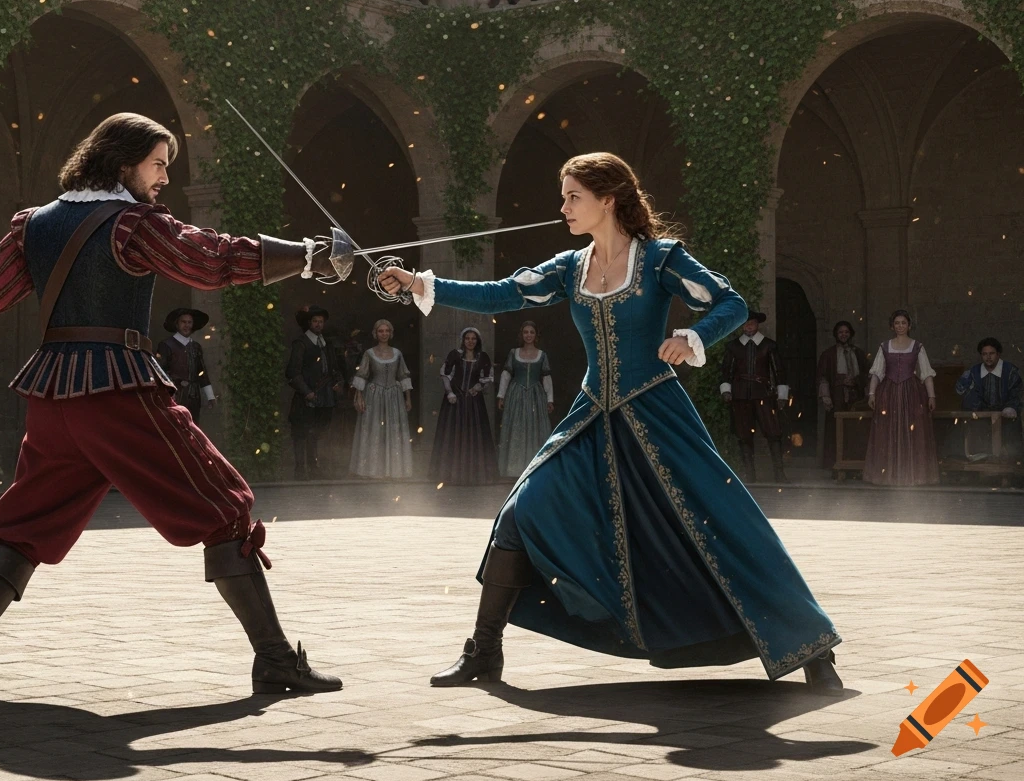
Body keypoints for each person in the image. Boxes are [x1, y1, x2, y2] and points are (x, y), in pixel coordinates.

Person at [378, 152, 842, 695]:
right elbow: (501, 293)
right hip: (591, 415)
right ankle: (483, 652)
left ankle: (811, 646)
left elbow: (730, 304)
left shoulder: (662, 260)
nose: (564, 206)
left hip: (657, 413)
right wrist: (416, 282)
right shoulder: (568, 268)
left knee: (725, 523)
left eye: (574, 195)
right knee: (519, 511)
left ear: (609, 199)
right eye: (564, 195)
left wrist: (692, 338)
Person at [0, 113, 342, 697]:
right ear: (123, 163)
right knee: (224, 507)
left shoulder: (35, 225)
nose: (165, 176)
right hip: (118, 391)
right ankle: (273, 659)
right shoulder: (134, 224)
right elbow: (210, 259)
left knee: (24, 528)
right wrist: (311, 256)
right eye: (159, 163)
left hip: (54, 398)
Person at [864, 309, 938, 486]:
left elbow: (926, 373)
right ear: (892, 326)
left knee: (912, 431)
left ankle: (912, 475)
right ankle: (888, 475)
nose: (900, 326)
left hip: (911, 394)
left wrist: (931, 396)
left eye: (903, 323)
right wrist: (872, 393)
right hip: (888, 394)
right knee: (888, 431)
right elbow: (876, 372)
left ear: (909, 325)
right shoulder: (884, 346)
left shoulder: (917, 346)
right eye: (897, 323)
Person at [720, 311, 789, 483]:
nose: (748, 326)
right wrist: (726, 390)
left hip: (764, 394)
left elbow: (778, 371)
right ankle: (750, 475)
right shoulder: (733, 347)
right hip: (740, 395)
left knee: (773, 432)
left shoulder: (769, 345)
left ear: (757, 324)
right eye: (745, 323)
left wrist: (781, 394)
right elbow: (726, 371)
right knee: (743, 434)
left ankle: (779, 474)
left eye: (751, 323)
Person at [431, 328, 498, 486]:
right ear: (463, 339)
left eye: (473, 339)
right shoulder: (455, 355)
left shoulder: (483, 357)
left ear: (477, 340)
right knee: (453, 434)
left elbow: (487, 378)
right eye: (467, 338)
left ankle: (472, 475)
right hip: (455, 400)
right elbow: (446, 375)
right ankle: (451, 475)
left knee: (474, 436)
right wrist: (449, 393)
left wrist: (477, 387)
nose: (470, 341)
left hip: (474, 402)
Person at [348, 319, 414, 479]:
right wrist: (358, 396)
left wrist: (408, 398)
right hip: (374, 395)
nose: (384, 334)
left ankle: (394, 470)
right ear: (375, 334)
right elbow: (362, 375)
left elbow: (403, 375)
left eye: (386, 331)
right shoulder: (369, 353)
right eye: (380, 331)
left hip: (394, 396)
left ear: (391, 333)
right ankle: (371, 470)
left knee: (393, 430)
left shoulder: (397, 353)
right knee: (375, 429)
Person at [286, 305, 343, 481]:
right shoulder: (301, 343)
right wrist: (307, 392)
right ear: (309, 323)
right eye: (315, 321)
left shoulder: (326, 344)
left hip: (324, 397)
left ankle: (314, 468)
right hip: (307, 397)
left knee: (316, 432)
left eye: (321, 322)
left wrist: (337, 383)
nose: (318, 324)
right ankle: (300, 470)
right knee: (301, 433)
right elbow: (292, 373)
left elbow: (334, 368)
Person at [497, 320, 555, 478]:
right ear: (521, 335)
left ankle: (535, 468)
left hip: (536, 395)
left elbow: (546, 377)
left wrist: (550, 399)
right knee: (517, 427)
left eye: (531, 332)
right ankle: (514, 469)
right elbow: (506, 375)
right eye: (525, 332)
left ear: (536, 335)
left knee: (534, 427)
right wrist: (501, 395)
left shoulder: (542, 355)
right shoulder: (513, 353)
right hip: (516, 394)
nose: (528, 335)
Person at [954, 337, 1021, 460]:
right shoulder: (974, 372)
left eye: (991, 353)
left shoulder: (1010, 371)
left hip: (1007, 418)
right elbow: (960, 390)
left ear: (998, 354)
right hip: (982, 418)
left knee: (1011, 450)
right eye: (984, 354)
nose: (988, 357)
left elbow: (1016, 393)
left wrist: (1011, 407)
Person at [816, 320, 869, 471]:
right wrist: (826, 396)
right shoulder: (828, 354)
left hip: (856, 397)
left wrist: (856, 381)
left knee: (855, 429)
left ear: (850, 334)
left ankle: (856, 466)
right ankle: (836, 466)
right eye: (840, 332)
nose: (843, 335)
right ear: (836, 334)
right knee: (836, 431)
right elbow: (822, 377)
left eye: (846, 332)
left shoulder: (858, 353)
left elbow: (867, 374)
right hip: (836, 397)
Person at [156, 307, 215, 422]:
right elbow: (160, 371)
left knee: (193, 426)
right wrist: (170, 390)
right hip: (175, 396)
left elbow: (201, 372)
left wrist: (210, 396)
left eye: (189, 322)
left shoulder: (196, 347)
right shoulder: (166, 345)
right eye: (183, 322)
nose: (186, 325)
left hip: (194, 396)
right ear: (177, 324)